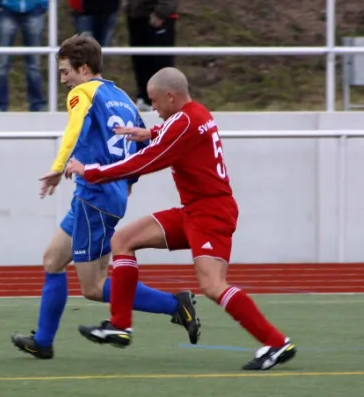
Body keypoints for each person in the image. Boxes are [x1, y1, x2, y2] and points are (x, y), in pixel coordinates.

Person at [66, 67, 297, 371]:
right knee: (123, 240)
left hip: (211, 214)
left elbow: (144, 161)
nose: (154, 109)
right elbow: (175, 131)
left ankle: (277, 342)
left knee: (213, 286)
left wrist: (91, 172)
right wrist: (150, 132)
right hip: (193, 209)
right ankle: (120, 325)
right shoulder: (195, 113)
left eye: (155, 101)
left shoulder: (184, 122)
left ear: (170, 96)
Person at [11, 35, 200, 360]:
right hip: (103, 195)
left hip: (94, 197)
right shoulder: (122, 97)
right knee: (52, 260)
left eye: (66, 71)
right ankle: (43, 341)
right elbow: (143, 144)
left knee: (94, 287)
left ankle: (175, 305)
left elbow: (72, 131)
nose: (63, 79)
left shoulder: (82, 93)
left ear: (83, 68)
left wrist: (57, 168)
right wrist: (128, 182)